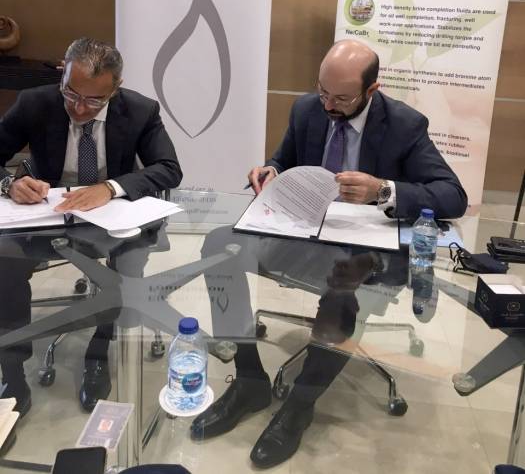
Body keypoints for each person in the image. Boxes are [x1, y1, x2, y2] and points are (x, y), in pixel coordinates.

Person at [191, 39, 467, 468]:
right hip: (304, 234)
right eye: (323, 92)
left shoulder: (404, 125)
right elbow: (284, 160)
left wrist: (383, 190)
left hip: (364, 252)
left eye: (341, 98)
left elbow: (453, 195)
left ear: (371, 90)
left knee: (341, 287)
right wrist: (271, 172)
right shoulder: (307, 109)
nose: (328, 105)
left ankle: (299, 405)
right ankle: (248, 380)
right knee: (218, 245)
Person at [0, 37, 182, 415]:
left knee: (128, 262)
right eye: (71, 93)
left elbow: (168, 168)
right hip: (48, 216)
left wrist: (110, 188)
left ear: (115, 89)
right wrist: (8, 184)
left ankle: (99, 352)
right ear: (62, 74)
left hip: (112, 216)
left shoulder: (140, 110)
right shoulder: (35, 103)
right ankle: (12, 369)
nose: (80, 108)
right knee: (4, 261)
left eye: (94, 101)